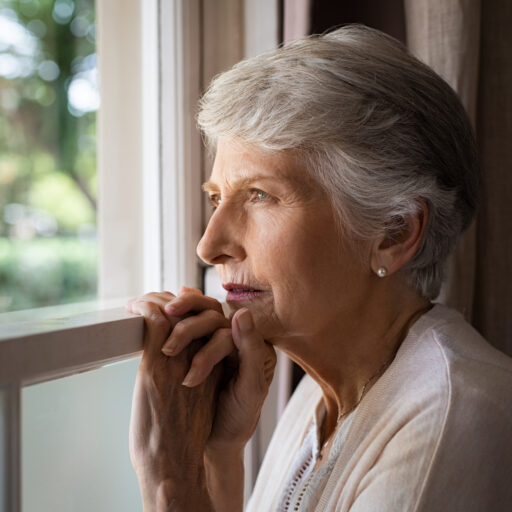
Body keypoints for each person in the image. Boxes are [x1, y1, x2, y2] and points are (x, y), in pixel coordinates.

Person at [127, 25, 512, 511]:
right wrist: (217, 455)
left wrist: (170, 481)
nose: (209, 246)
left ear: (393, 233)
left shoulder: (454, 420)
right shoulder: (317, 396)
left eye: (260, 196)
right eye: (217, 198)